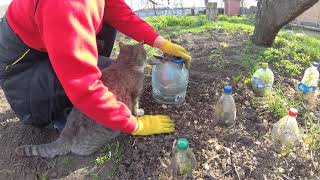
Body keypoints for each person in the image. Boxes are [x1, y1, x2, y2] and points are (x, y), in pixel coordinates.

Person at [0, 0, 191, 135]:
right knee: (91, 83)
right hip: (22, 64)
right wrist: (133, 124)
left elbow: (117, 10)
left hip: (50, 34)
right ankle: (45, 112)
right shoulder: (66, 5)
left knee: (112, 73)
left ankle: (86, 99)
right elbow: (83, 85)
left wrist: (159, 42)